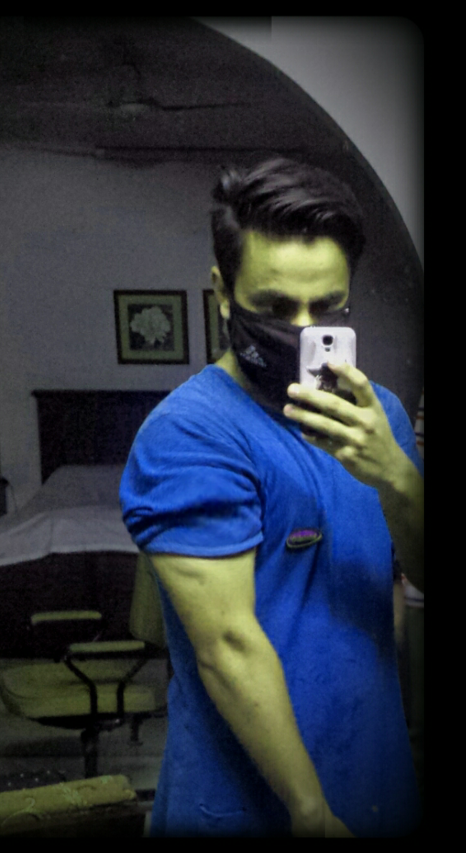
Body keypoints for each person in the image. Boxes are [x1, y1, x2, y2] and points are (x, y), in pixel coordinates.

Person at [119, 157, 424, 837]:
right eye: (277, 309)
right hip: (255, 806)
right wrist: (310, 811)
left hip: (377, 779)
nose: (303, 329)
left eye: (328, 308)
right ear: (222, 292)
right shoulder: (189, 433)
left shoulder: (382, 418)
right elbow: (227, 644)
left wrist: (396, 475)